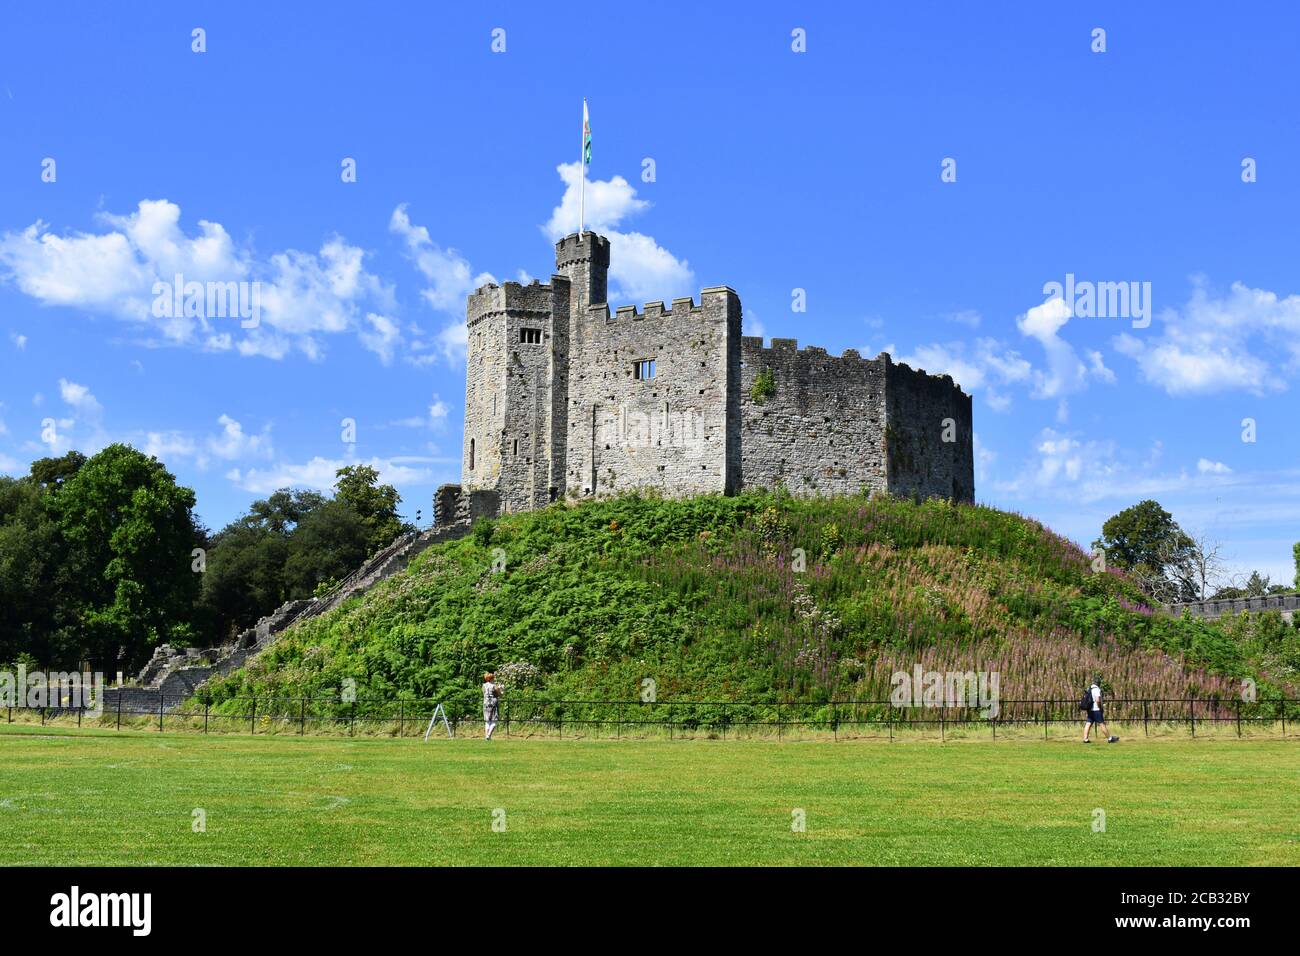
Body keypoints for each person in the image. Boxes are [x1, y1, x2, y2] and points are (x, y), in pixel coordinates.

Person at [1083, 676, 1119, 743]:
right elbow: (1098, 700)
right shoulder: (1097, 689)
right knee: (1101, 723)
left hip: (1090, 709)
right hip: (1096, 709)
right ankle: (1110, 738)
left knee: (1088, 723)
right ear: (1098, 683)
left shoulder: (1089, 688)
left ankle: (1085, 739)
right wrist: (1100, 708)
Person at [482, 671, 502, 740]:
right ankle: (489, 735)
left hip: (486, 704)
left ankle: (487, 736)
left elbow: (484, 694)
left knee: (487, 721)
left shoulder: (484, 685)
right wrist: (500, 689)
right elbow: (499, 694)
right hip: (493, 704)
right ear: (491, 679)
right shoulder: (494, 686)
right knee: (494, 720)